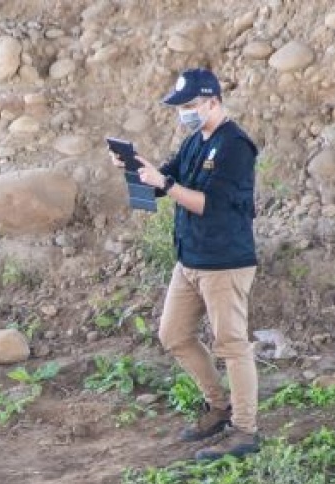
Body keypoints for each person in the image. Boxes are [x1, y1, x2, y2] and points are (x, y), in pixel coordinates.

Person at [113, 68, 262, 460]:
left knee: (232, 345)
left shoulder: (235, 146)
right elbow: (168, 181)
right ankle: (218, 407)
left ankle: (245, 432)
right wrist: (139, 169)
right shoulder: (197, 141)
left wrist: (165, 185)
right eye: (181, 107)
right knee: (173, 334)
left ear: (213, 101)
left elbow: (208, 203)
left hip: (224, 262)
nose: (185, 113)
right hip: (191, 258)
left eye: (191, 105)